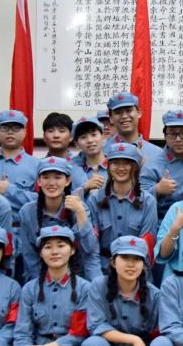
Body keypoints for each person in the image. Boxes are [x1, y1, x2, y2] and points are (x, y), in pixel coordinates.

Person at [8, 225, 91, 346]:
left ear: (72, 250)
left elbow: (80, 333)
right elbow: (22, 330)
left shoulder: (84, 288)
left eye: (61, 245)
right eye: (48, 247)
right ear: (41, 253)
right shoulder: (30, 289)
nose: (54, 252)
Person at [17, 157, 100, 281]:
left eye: (57, 177)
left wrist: (80, 212)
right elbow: (30, 257)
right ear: (38, 181)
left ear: (67, 181)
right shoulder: (27, 212)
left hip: (78, 276)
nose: (51, 183)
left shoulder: (79, 207)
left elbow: (90, 249)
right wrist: (42, 285)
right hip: (43, 277)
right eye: (46, 177)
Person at [88, 143, 158, 272]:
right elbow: (91, 247)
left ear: (136, 167)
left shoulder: (148, 202)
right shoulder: (95, 199)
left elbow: (147, 246)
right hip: (103, 269)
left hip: (134, 269)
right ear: (108, 166)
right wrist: (97, 278)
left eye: (127, 163)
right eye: (115, 163)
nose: (121, 168)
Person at [141, 110, 183, 221]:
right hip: (167, 223)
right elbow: (139, 201)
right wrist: (157, 190)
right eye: (172, 134)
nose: (178, 139)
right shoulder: (152, 166)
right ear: (165, 136)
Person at [0, 110, 39, 221]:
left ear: (25, 132)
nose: (10, 132)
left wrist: (10, 191)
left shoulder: (37, 165)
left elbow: (43, 201)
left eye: (16, 128)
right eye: (5, 128)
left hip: (21, 228)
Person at [104, 91, 164, 167]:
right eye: (118, 112)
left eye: (129, 110)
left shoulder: (156, 154)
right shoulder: (101, 151)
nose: (124, 116)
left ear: (139, 113)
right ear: (111, 118)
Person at [72, 116, 108, 196]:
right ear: (76, 144)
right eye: (83, 137)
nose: (90, 140)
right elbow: (67, 198)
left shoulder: (114, 165)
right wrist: (85, 187)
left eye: (94, 135)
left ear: (103, 136)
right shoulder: (72, 169)